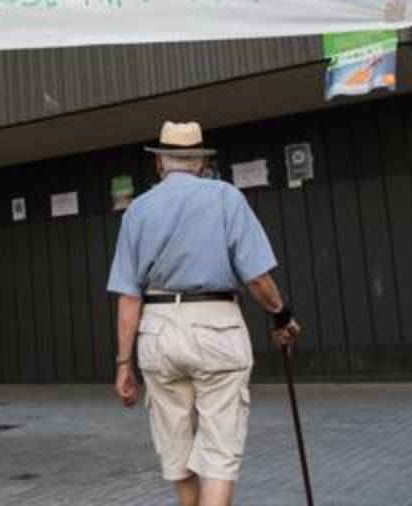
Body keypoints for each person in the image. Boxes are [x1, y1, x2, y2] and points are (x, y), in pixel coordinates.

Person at [107, 121, 302, 506]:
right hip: (216, 326)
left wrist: (123, 363)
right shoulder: (226, 197)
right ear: (200, 163)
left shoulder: (137, 211)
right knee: (219, 453)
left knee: (177, 450)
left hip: (159, 331)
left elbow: (128, 296)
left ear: (159, 163)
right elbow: (257, 278)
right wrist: (281, 315)